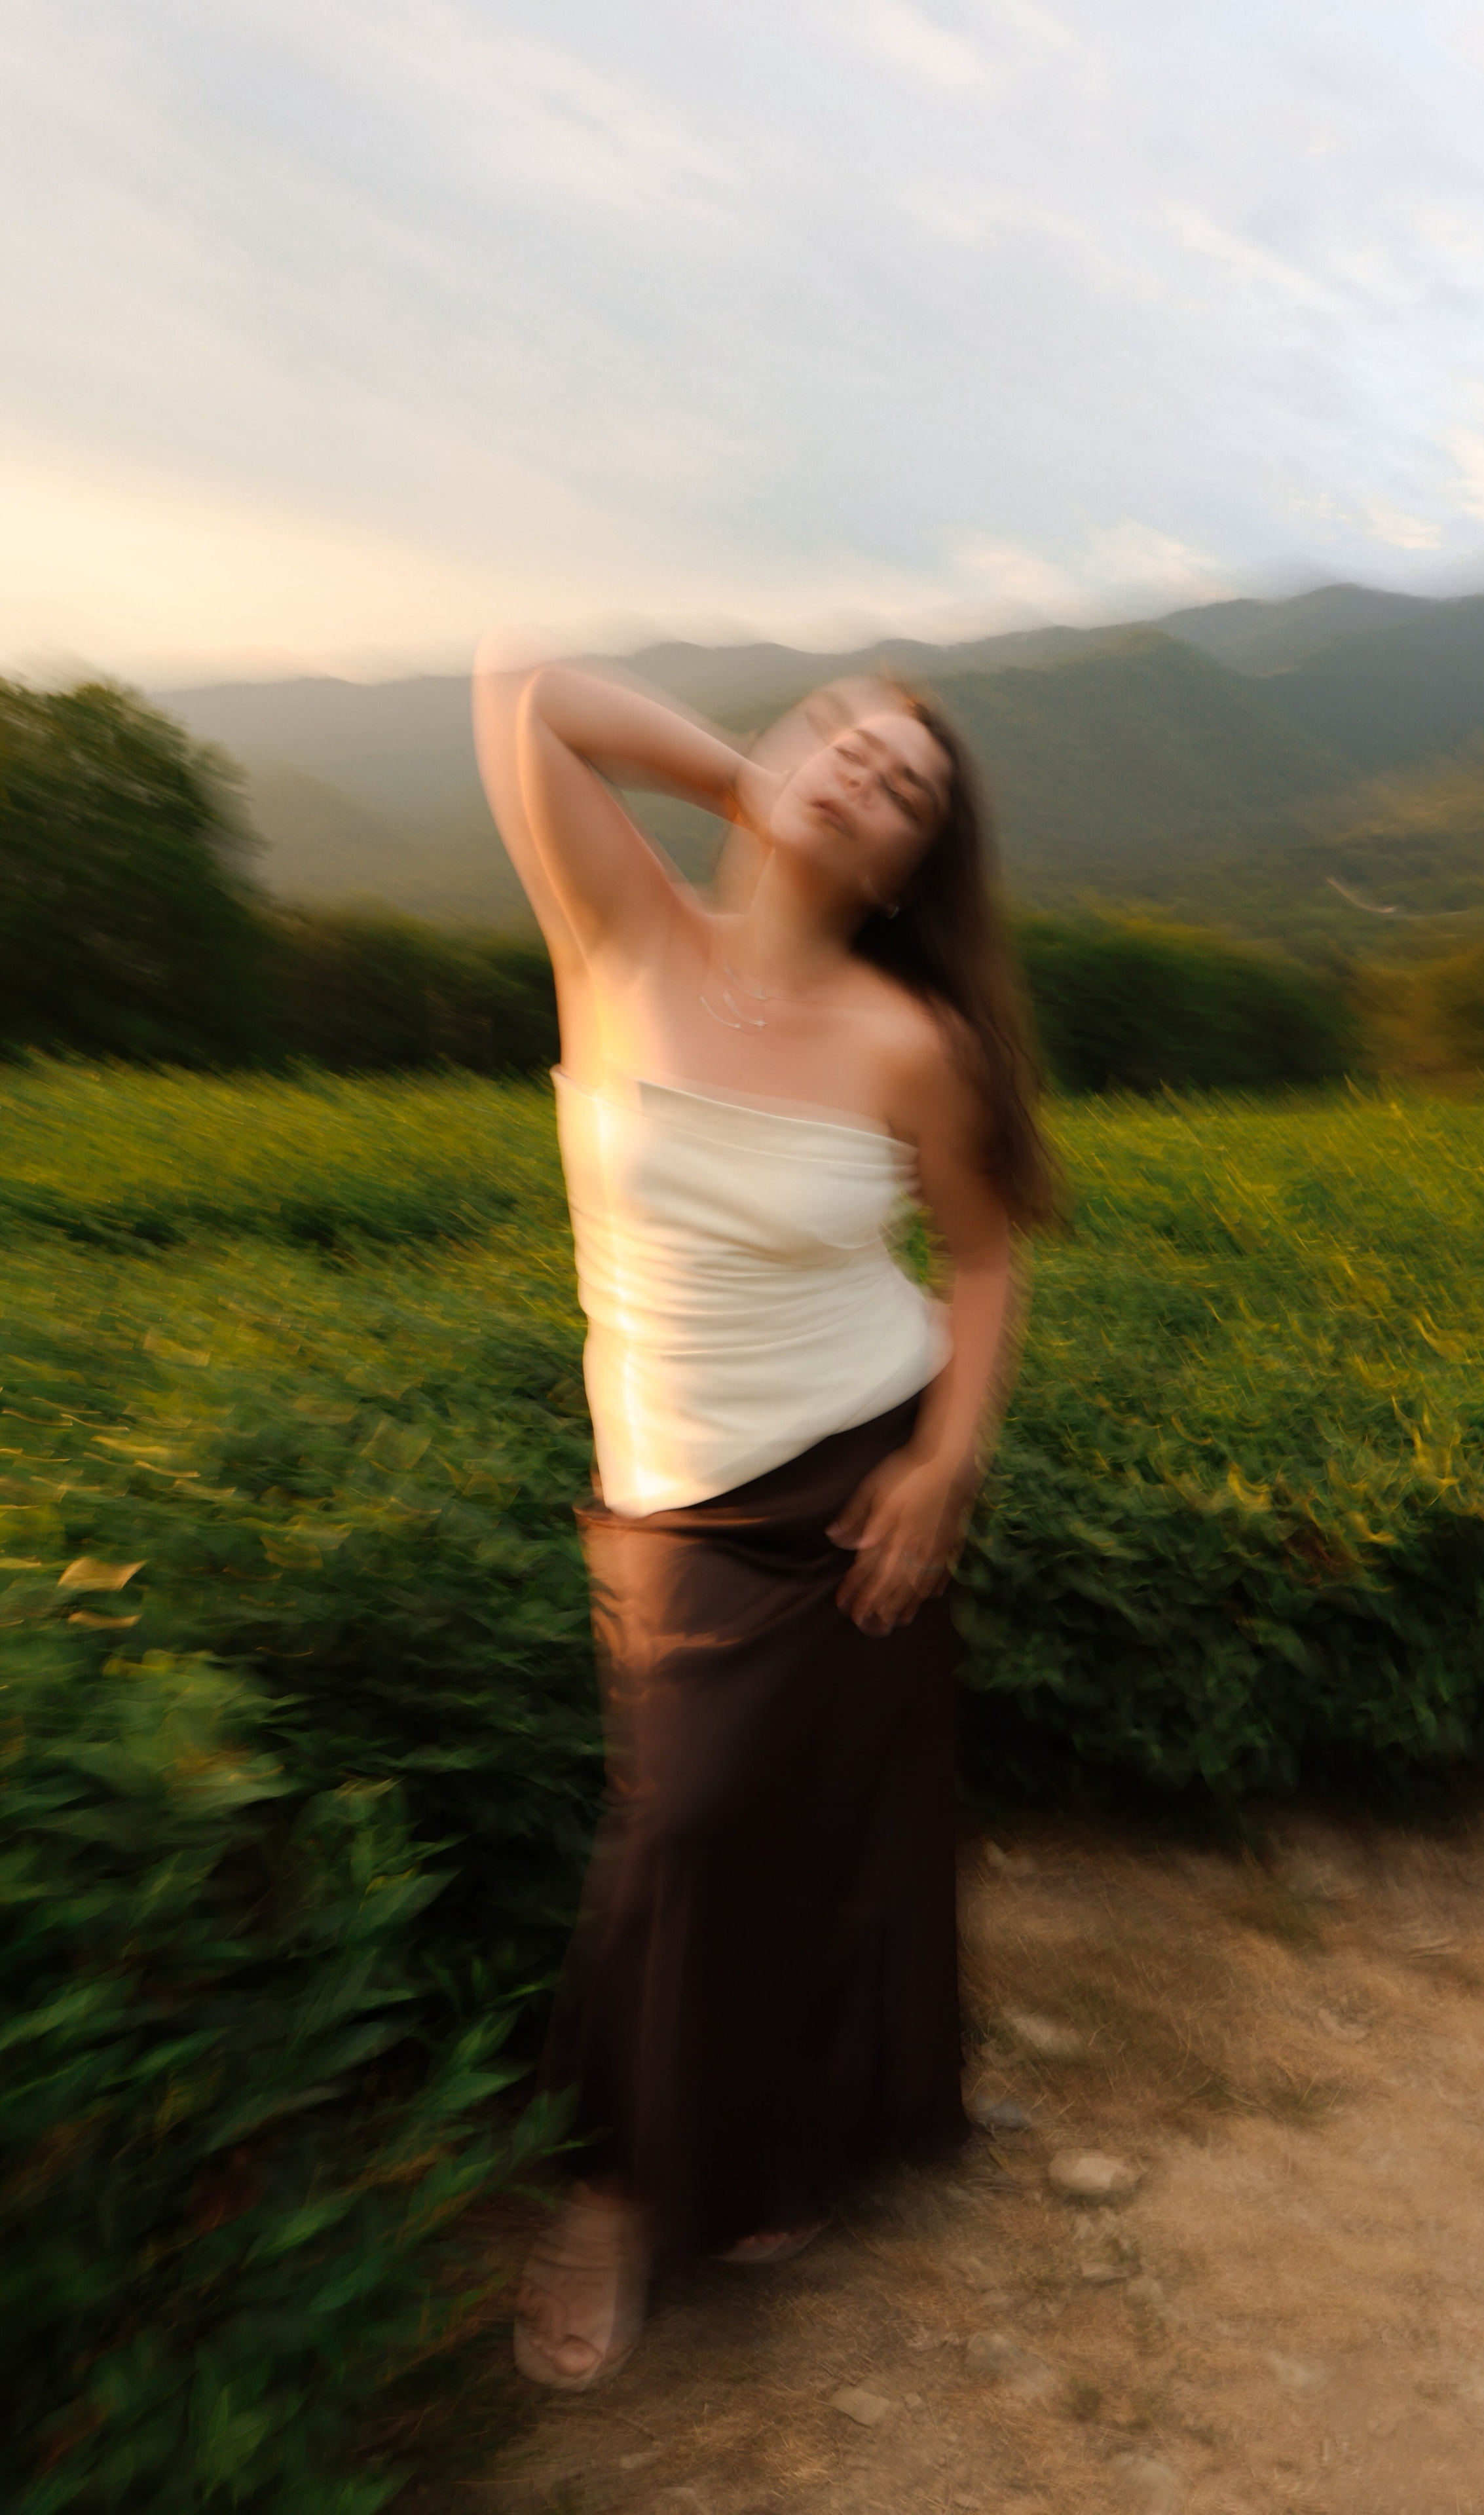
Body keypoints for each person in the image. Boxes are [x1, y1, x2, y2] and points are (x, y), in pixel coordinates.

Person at [472, 642, 1056, 2391]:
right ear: (782, 749)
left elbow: (986, 1252)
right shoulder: (621, 932)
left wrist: (947, 1459)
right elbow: (531, 687)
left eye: (907, 794)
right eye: (845, 748)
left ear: (912, 871)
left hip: (863, 1458)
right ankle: (615, 2188)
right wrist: (752, 790)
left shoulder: (915, 1037)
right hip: (675, 1488)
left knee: (848, 1825)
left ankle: (820, 2140)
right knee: (695, 1823)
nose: (865, 784)